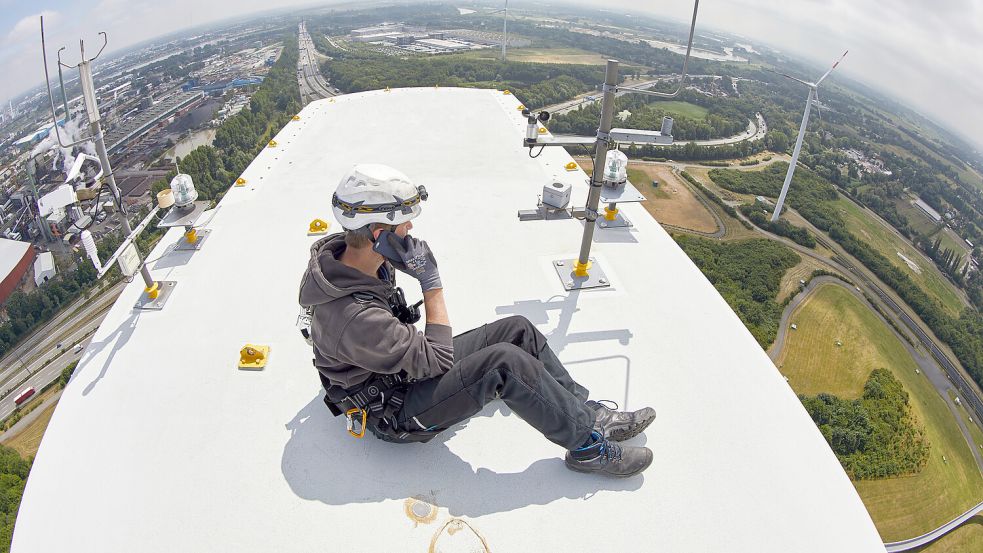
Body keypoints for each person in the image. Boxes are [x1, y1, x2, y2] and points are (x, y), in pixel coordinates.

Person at [298, 164, 657, 477]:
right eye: (403, 225)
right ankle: (586, 448)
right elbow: (435, 360)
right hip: (393, 408)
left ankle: (588, 414)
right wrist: (430, 283)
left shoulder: (350, 258)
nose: (410, 230)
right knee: (504, 364)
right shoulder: (354, 316)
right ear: (379, 236)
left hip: (396, 368)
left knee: (516, 329)